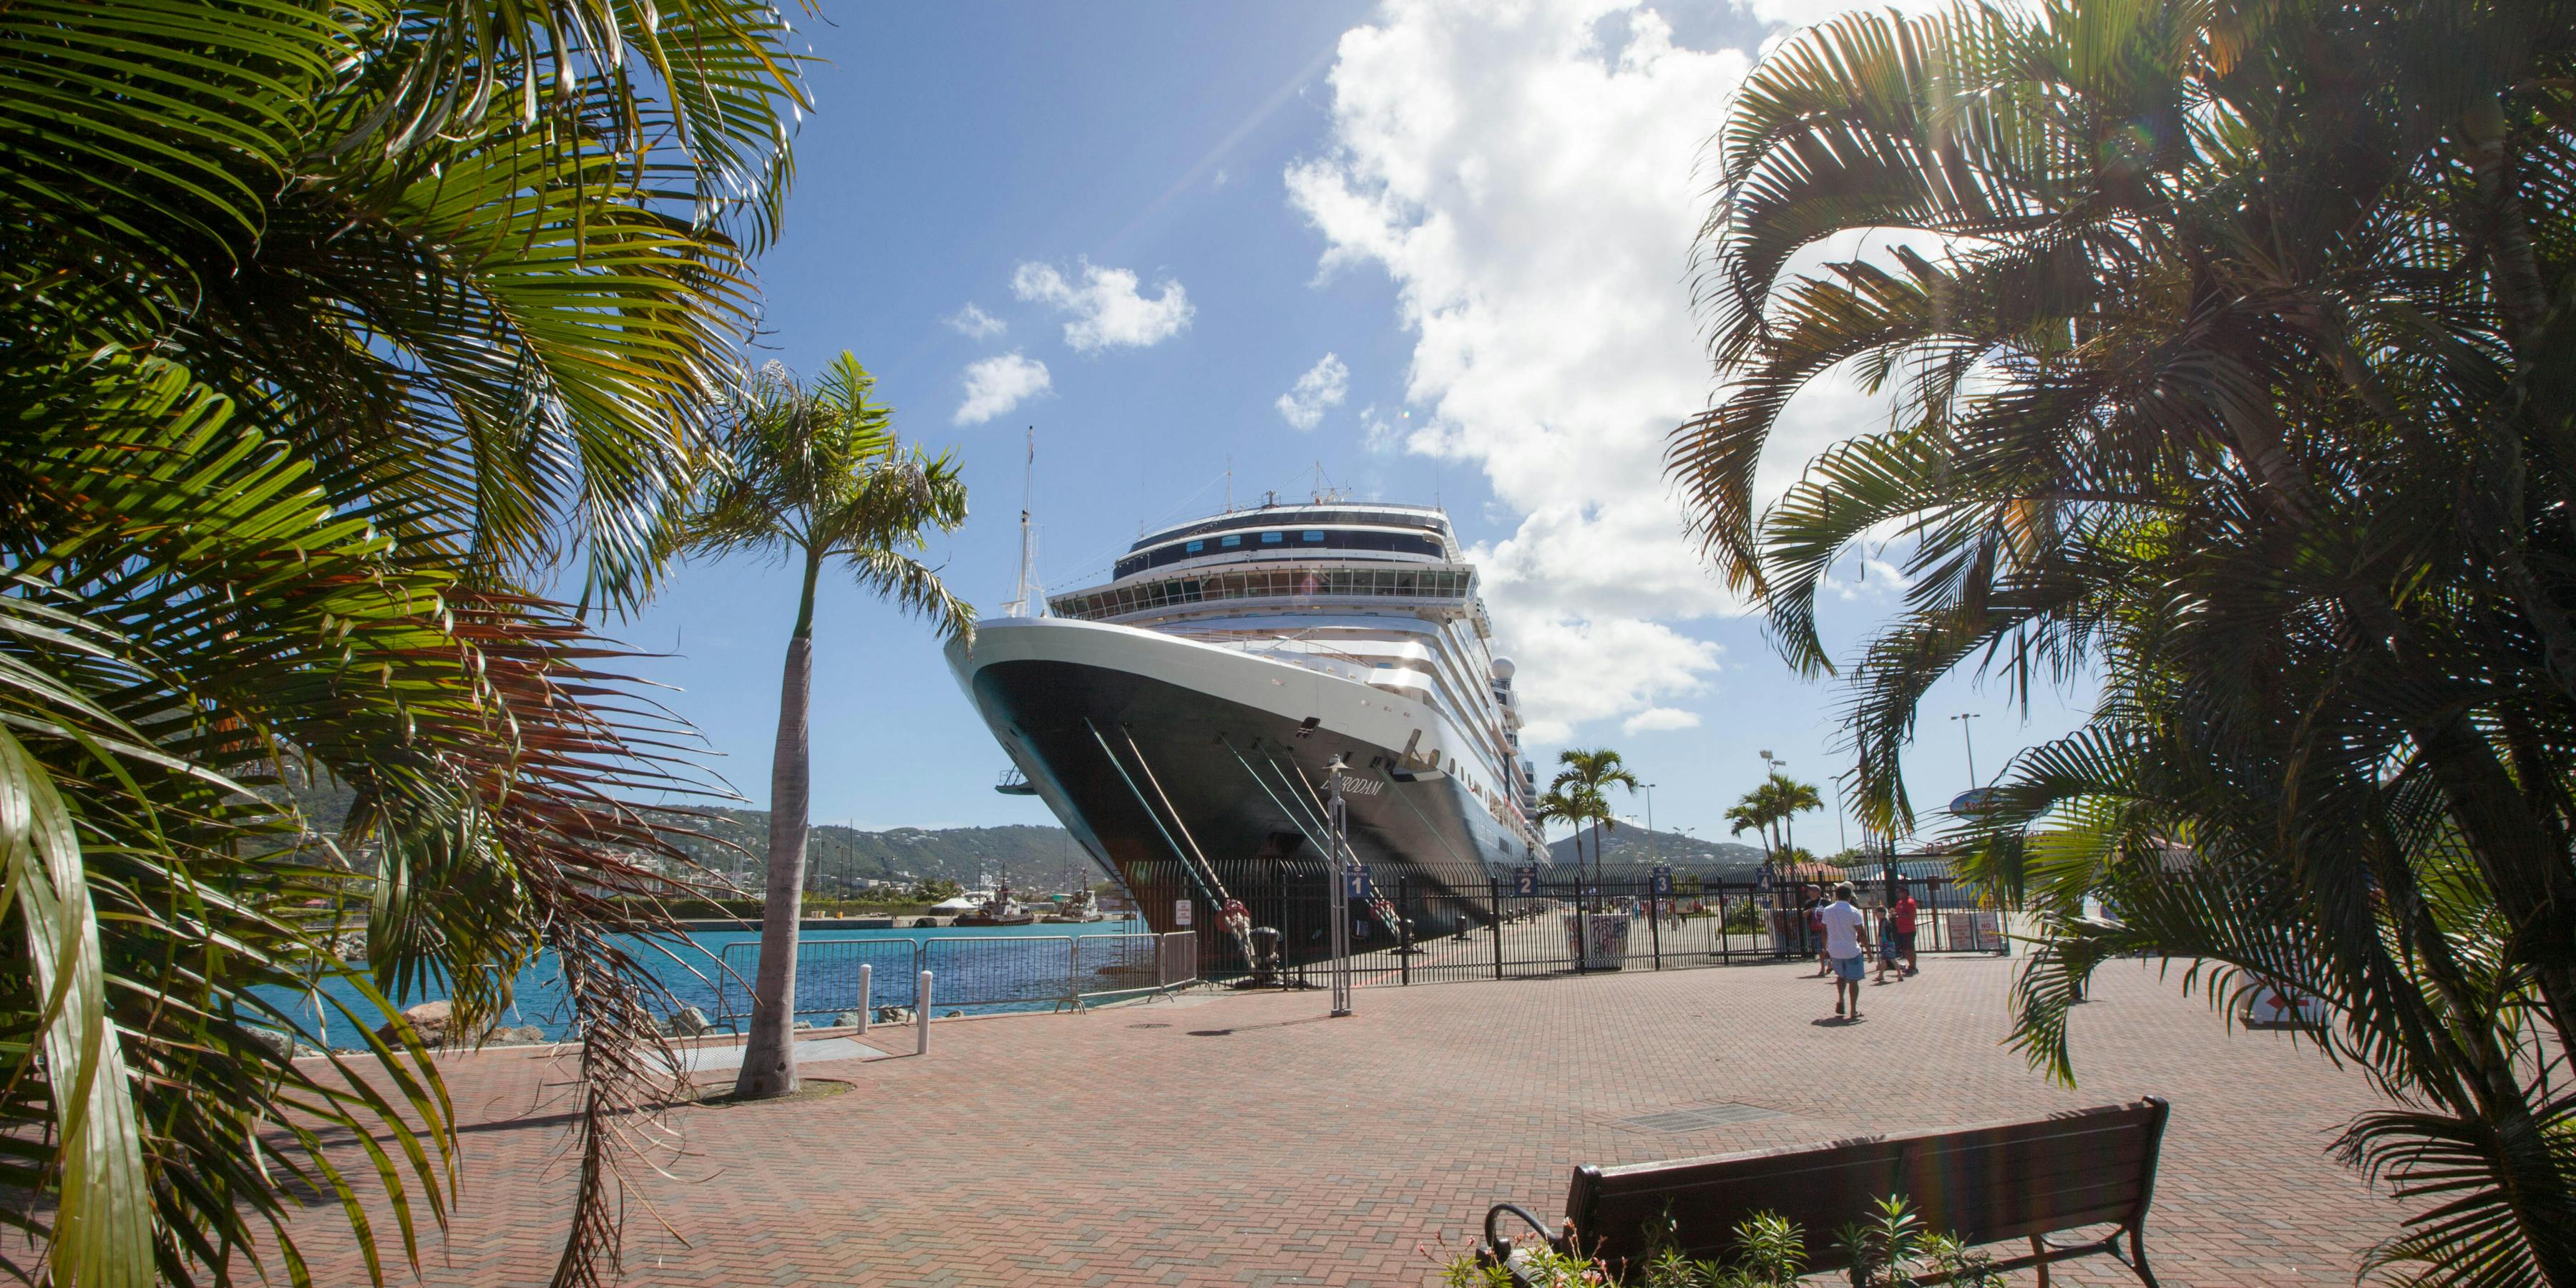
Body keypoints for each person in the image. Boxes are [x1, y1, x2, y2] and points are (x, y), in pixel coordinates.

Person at [1820, 882, 1869, 1018]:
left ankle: (1841, 999)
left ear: (1836, 896)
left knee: (1840, 976)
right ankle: (1853, 1010)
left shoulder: (1828, 910)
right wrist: (1869, 952)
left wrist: (1825, 947)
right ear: (1849, 897)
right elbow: (1862, 933)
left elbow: (1824, 931)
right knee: (1853, 980)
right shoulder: (1853, 911)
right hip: (1851, 949)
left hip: (1835, 949)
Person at [1887, 882, 1920, 977]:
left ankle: (1913, 967)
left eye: (1899, 892)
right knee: (1905, 950)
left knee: (1910, 949)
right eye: (1897, 892)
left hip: (1909, 929)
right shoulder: (1900, 902)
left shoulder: (1909, 902)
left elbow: (1910, 915)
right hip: (1901, 929)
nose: (1898, 894)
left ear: (1905, 892)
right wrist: (1894, 912)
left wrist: (1898, 915)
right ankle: (1911, 965)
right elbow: (1898, 911)